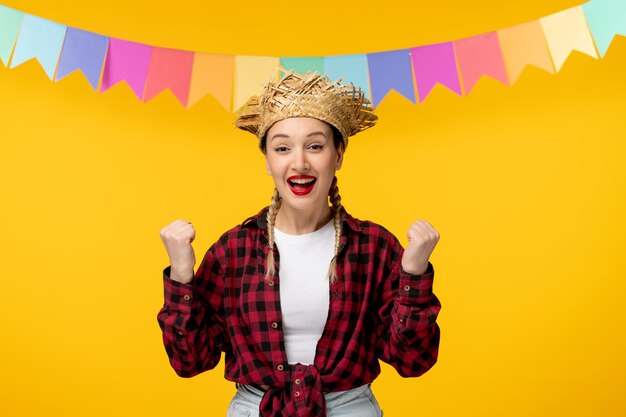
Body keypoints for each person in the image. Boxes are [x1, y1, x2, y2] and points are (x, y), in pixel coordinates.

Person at [157, 69, 442, 417]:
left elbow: (413, 360)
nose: (300, 162)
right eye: (282, 148)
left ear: (338, 156)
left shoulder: (375, 248)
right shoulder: (233, 251)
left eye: (315, 146)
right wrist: (181, 277)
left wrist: (414, 274)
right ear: (267, 160)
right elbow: (190, 361)